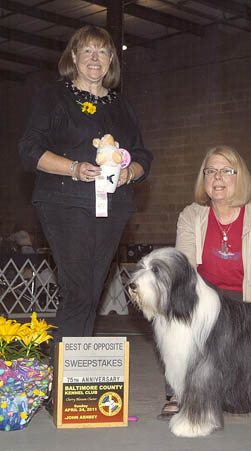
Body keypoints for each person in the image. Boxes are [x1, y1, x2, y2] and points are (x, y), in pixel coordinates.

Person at [19, 26, 153, 365]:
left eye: (103, 52)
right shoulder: (53, 96)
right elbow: (29, 151)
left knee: (91, 292)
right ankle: (60, 373)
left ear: (111, 61)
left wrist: (129, 173)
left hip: (112, 206)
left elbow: (142, 155)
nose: (96, 58)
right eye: (88, 51)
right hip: (64, 201)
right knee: (79, 289)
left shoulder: (121, 105)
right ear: (74, 58)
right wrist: (74, 168)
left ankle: (72, 375)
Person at [158, 144, 251, 419]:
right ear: (203, 179)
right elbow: (184, 272)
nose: (217, 178)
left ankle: (219, 386)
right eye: (211, 171)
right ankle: (178, 392)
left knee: (240, 403)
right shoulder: (191, 216)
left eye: (227, 171)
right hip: (205, 299)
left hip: (245, 306)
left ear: (240, 178)